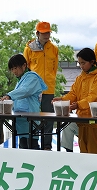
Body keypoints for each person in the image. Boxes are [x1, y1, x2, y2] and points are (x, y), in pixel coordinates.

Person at [53, 48, 97, 154]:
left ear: (92, 62)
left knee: (94, 151)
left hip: (94, 120)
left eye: (83, 63)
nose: (81, 66)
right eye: (79, 63)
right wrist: (62, 99)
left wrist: (78, 104)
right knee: (83, 151)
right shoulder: (80, 78)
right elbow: (73, 93)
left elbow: (93, 97)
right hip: (82, 120)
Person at [23, 21, 59, 150]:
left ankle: (47, 146)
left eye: (48, 32)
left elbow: (54, 69)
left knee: (48, 119)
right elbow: (25, 69)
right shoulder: (29, 49)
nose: (47, 35)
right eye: (44, 33)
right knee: (33, 118)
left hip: (49, 89)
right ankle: (33, 146)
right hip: (33, 91)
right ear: (37, 33)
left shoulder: (54, 49)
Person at [0, 54, 47, 150]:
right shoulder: (21, 79)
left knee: (32, 146)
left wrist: (9, 96)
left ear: (24, 65)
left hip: (30, 118)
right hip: (21, 119)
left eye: (15, 68)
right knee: (23, 146)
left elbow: (25, 91)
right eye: (12, 69)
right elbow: (18, 99)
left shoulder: (32, 77)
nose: (14, 71)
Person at [60, 85, 97, 152]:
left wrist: (95, 115)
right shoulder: (83, 88)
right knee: (68, 125)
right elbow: (76, 110)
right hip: (84, 120)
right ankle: (69, 152)